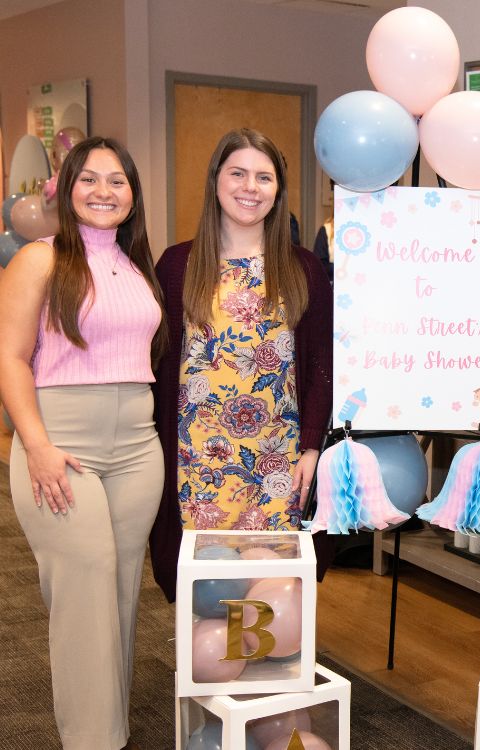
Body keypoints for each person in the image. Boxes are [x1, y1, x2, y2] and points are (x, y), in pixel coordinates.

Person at [0, 137, 167, 750]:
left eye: (117, 180)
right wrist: (35, 445)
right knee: (83, 583)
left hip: (136, 447)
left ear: (132, 192)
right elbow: (11, 359)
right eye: (89, 179)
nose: (104, 191)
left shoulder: (134, 262)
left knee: (119, 590)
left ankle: (107, 725)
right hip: (60, 441)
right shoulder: (39, 260)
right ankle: (94, 741)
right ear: (67, 188)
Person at [149, 128, 332, 602]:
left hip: (278, 463)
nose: (250, 187)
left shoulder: (303, 268)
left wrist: (311, 447)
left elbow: (321, 365)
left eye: (264, 177)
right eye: (238, 173)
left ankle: (273, 673)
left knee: (274, 592)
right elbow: (156, 363)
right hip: (197, 463)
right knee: (207, 594)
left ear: (278, 190)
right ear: (216, 181)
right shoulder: (177, 265)